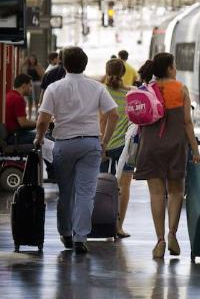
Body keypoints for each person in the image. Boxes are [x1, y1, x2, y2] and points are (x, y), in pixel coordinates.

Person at [34, 47, 119, 254]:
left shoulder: (54, 88)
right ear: (85, 64)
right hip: (90, 144)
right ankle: (81, 237)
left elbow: (44, 119)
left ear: (63, 64)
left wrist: (39, 138)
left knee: (66, 192)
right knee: (85, 193)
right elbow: (114, 114)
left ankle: (65, 233)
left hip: (63, 144)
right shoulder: (96, 87)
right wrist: (104, 141)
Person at [134, 53, 200, 258]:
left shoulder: (146, 89)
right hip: (175, 146)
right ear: (170, 68)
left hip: (150, 146)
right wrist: (195, 150)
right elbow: (187, 123)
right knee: (175, 192)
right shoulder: (180, 88)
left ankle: (160, 241)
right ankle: (172, 234)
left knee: (156, 194)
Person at [100, 58, 134, 238]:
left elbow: (102, 120)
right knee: (124, 186)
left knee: (100, 185)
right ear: (123, 73)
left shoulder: (102, 92)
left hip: (102, 145)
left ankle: (100, 222)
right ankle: (118, 227)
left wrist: (101, 144)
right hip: (125, 147)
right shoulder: (131, 94)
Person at [4, 74, 37, 145]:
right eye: (30, 85)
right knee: (42, 137)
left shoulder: (9, 95)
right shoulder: (18, 99)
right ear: (24, 85)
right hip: (13, 136)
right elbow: (23, 123)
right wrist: (38, 123)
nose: (31, 88)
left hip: (7, 135)